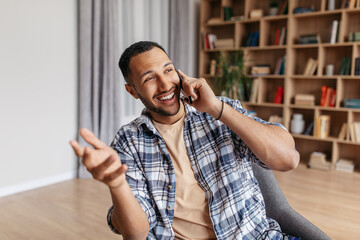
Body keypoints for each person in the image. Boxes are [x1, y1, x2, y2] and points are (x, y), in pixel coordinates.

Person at [70, 41, 300, 240]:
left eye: (168, 70)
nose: (165, 84)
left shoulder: (219, 111)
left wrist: (216, 108)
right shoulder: (129, 141)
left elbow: (288, 159)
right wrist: (117, 184)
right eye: (149, 78)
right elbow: (136, 235)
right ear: (132, 91)